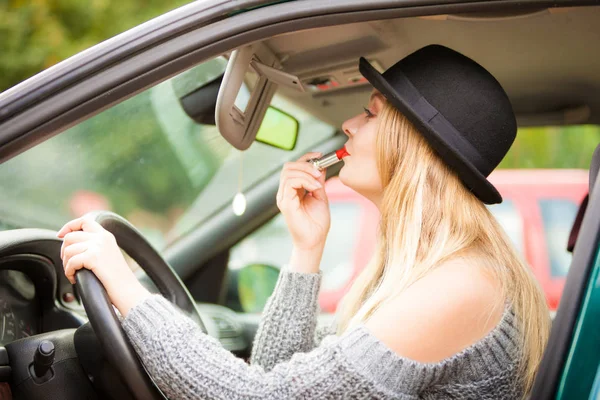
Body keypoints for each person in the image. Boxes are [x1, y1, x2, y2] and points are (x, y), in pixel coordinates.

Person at [57, 44, 550, 399]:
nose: (350, 126)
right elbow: (281, 376)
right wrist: (306, 250)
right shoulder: (422, 269)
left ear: (417, 145)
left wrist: (124, 285)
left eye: (371, 113)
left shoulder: (458, 286)